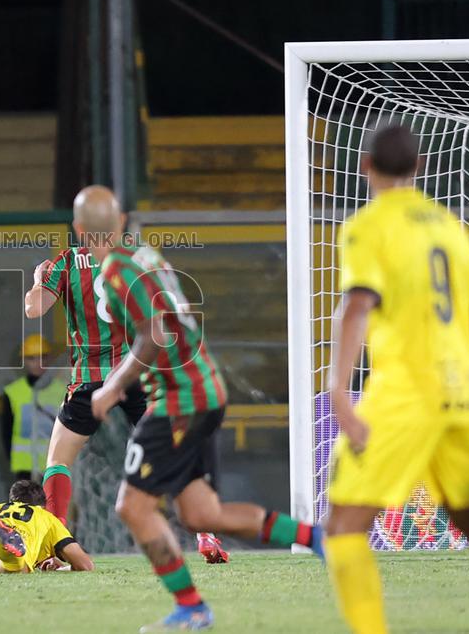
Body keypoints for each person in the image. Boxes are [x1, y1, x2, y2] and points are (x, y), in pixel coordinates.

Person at [77, 186, 322, 632]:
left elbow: (154, 335)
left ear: (78, 230)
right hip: (204, 389)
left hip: (180, 400)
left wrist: (111, 389)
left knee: (132, 507)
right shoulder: (144, 255)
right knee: (201, 514)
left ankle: (191, 607)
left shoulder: (114, 271)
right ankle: (317, 538)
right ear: (122, 219)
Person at [324, 123, 469, 633]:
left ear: (365, 166)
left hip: (403, 395)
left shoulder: (367, 227)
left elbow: (358, 305)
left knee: (346, 524)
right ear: (418, 168)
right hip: (461, 392)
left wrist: (338, 390)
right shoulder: (449, 227)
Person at [25, 188, 229, 564]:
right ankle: (206, 533)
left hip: (90, 379)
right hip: (138, 373)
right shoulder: (133, 257)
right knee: (175, 449)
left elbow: (34, 310)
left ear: (78, 227)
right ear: (119, 222)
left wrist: (39, 280)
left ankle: (56, 546)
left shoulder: (66, 262)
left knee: (59, 457)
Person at [0, 334, 66, 481]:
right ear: (24, 361)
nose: (38, 363)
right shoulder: (13, 392)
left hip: (55, 463)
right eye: (32, 358)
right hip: (24, 466)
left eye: (42, 357)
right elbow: (6, 431)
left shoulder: (63, 391)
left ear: (50, 359)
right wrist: (11, 458)